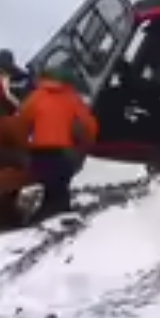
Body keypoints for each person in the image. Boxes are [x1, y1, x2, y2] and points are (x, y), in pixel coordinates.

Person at [17, 67, 99, 218]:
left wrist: (24, 148)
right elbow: (89, 125)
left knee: (53, 190)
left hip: (39, 154)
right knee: (59, 192)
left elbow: (21, 122)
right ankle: (52, 219)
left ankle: (47, 216)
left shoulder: (36, 96)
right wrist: (86, 147)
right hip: (64, 154)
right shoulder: (72, 97)